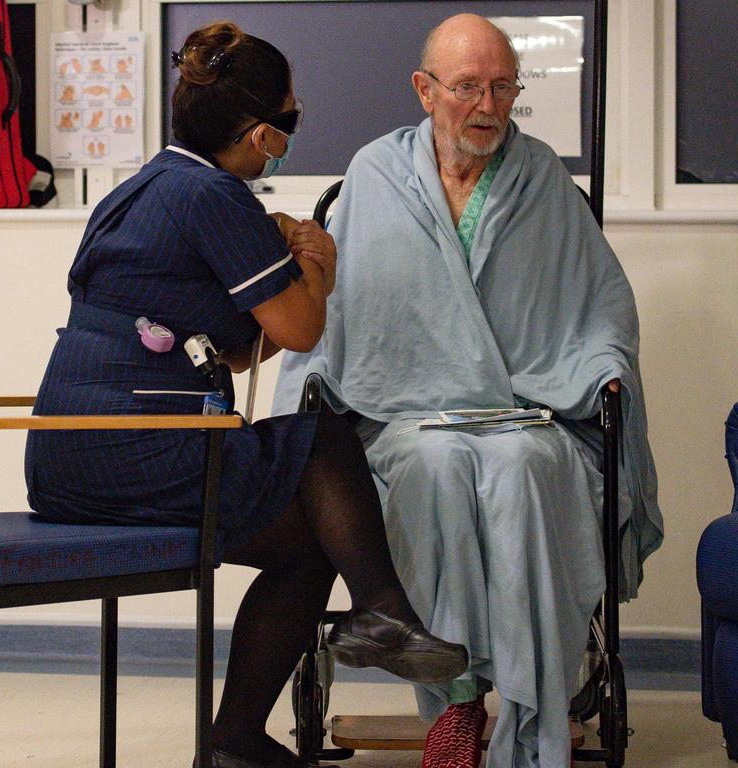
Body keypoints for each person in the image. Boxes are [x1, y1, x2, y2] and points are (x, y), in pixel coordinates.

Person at [25, 21, 468, 768]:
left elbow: (233, 348)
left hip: (74, 449)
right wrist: (317, 264)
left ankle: (242, 736)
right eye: (291, 113)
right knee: (320, 432)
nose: (294, 125)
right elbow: (298, 330)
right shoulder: (213, 196)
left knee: (311, 543)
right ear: (265, 134)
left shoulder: (144, 187)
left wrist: (275, 263)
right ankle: (383, 614)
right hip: (126, 446)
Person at [273, 14, 664, 768]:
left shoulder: (543, 176)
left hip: (528, 414)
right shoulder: (376, 175)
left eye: (503, 86)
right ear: (424, 90)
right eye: (466, 88)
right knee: (436, 469)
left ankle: (524, 706)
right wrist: (312, 382)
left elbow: (600, 305)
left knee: (521, 472)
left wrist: (605, 366)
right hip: (405, 416)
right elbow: (334, 310)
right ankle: (456, 703)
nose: (487, 106)